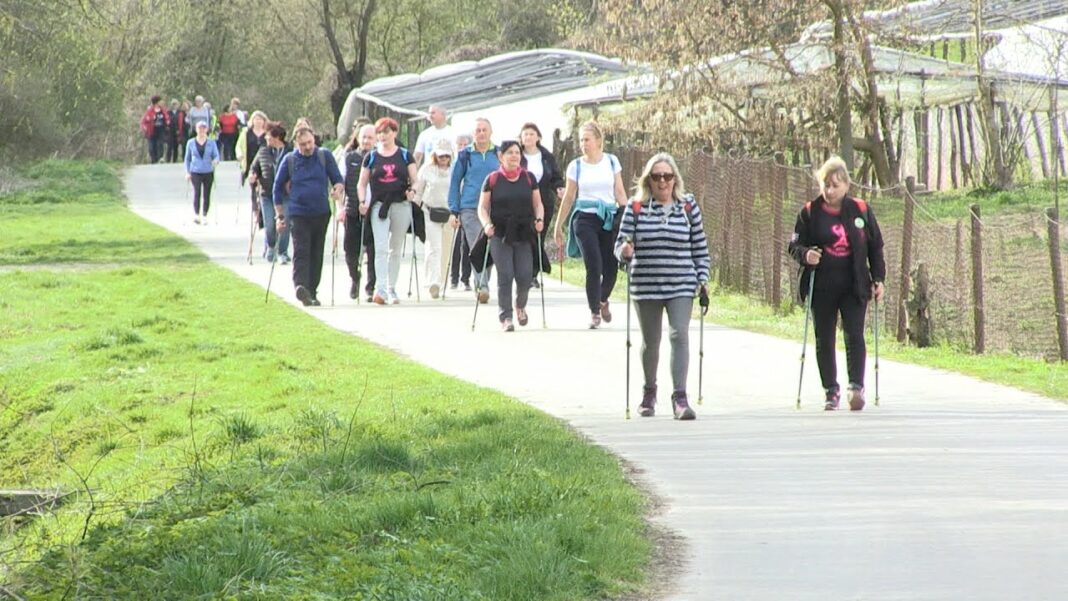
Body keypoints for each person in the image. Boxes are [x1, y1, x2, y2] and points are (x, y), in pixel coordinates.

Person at [616, 153, 710, 420]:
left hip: (681, 283)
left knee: (679, 334)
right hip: (646, 284)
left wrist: (702, 278)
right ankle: (649, 392)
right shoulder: (636, 207)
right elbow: (620, 245)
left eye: (667, 176)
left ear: (675, 179)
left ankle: (680, 398)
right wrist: (624, 250)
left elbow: (700, 247)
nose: (662, 181)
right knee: (651, 341)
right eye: (657, 176)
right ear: (649, 180)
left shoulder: (688, 206)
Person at [788, 156, 886, 411]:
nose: (830, 191)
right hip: (822, 285)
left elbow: (875, 246)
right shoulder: (810, 212)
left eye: (835, 185)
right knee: (824, 337)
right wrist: (806, 254)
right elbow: (794, 244)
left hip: (854, 283)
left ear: (846, 185)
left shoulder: (861, 210)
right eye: (825, 185)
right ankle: (831, 390)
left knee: (854, 334)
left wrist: (878, 278)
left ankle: (856, 386)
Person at [553, 120, 628, 328]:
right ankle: (594, 311)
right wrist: (559, 225)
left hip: (608, 217)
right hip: (584, 218)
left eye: (587, 139)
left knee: (611, 266)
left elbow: (620, 192)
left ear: (598, 140)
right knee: (593, 265)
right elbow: (568, 197)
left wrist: (630, 220)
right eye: (581, 140)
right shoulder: (575, 166)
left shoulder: (612, 162)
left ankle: (602, 300)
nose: (583, 144)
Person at [478, 140, 545, 331]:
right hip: (500, 232)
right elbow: (482, 207)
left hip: (524, 231)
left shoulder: (529, 178)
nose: (514, 156)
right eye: (510, 153)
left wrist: (539, 219)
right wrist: (487, 225)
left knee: (525, 276)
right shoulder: (492, 179)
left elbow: (538, 204)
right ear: (501, 156)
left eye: (517, 152)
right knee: (505, 274)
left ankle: (520, 305)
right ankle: (505, 317)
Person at [273, 126, 344, 306]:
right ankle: (300, 286)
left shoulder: (324, 155)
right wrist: (280, 216)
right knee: (301, 250)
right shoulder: (289, 160)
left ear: (314, 139)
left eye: (310, 142)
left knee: (317, 252)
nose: (308, 147)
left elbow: (337, 178)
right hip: (298, 213)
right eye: (303, 144)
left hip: (321, 212)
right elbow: (277, 188)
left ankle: (312, 291)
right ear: (296, 144)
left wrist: (337, 189)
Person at [356, 117, 418, 305]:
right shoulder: (372, 156)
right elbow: (362, 183)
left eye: (387, 132)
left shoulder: (405, 155)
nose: (383, 136)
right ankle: (381, 289)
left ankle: (392, 288)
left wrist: (413, 191)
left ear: (394, 133)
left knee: (396, 248)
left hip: (400, 203)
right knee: (381, 247)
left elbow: (415, 179)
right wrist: (361, 201)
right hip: (379, 205)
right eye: (380, 132)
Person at [449, 118, 500, 303]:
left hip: (495, 207)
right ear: (473, 134)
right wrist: (454, 210)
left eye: (484, 129)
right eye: (477, 130)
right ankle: (482, 285)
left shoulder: (499, 153)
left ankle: (483, 281)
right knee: (477, 245)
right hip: (469, 207)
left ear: (491, 132)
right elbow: (455, 182)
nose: (481, 133)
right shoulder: (465, 155)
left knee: (491, 246)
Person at [518, 122, 564, 287]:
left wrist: (559, 187)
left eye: (532, 134)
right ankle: (525, 271)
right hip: (522, 202)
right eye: (525, 134)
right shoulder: (517, 155)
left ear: (538, 137)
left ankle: (533, 274)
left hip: (544, 202)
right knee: (526, 237)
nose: (529, 137)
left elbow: (556, 176)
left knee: (539, 237)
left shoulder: (546, 156)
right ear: (521, 139)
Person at [413, 138, 455, 298]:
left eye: (446, 155)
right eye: (440, 155)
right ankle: (433, 282)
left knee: (446, 248)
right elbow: (419, 190)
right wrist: (415, 206)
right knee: (433, 246)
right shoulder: (427, 169)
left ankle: (441, 280)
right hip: (430, 212)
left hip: (449, 213)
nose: (443, 158)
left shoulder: (455, 169)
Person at [339, 124, 378, 300]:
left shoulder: (380, 157)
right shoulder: (349, 158)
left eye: (370, 137)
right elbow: (340, 184)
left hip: (375, 211)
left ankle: (371, 286)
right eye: (363, 137)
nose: (366, 141)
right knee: (350, 250)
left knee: (373, 250)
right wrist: (340, 208)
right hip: (352, 209)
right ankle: (355, 278)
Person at [450, 133, 474, 291]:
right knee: (456, 243)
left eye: (464, 144)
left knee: (467, 244)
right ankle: (454, 278)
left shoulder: (470, 160)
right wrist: (454, 209)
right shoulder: (453, 162)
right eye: (459, 144)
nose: (461, 147)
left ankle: (466, 278)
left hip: (468, 206)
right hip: (456, 207)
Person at [183, 121, 220, 224]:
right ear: (196, 129)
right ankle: (196, 215)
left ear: (207, 130)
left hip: (208, 171)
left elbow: (216, 155)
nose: (202, 130)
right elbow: (187, 159)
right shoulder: (190, 143)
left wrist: (216, 160)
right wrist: (187, 172)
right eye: (200, 128)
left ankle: (204, 215)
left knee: (206, 194)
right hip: (195, 171)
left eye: (204, 128)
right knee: (197, 192)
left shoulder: (211, 142)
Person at [237, 110, 269, 221]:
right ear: (252, 120)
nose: (258, 121)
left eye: (260, 119)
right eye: (256, 119)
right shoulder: (246, 132)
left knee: (263, 189)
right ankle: (256, 211)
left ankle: (263, 211)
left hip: (264, 164)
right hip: (251, 164)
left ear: (264, 121)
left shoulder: (267, 133)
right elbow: (238, 146)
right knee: (254, 188)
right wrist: (240, 155)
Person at [139, 95, 170, 164]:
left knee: (161, 144)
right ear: (156, 102)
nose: (162, 102)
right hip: (152, 130)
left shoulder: (163, 110)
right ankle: (154, 159)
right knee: (152, 146)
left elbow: (167, 118)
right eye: (160, 101)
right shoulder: (150, 111)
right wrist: (145, 128)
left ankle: (160, 158)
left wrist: (167, 123)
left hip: (161, 129)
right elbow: (143, 121)